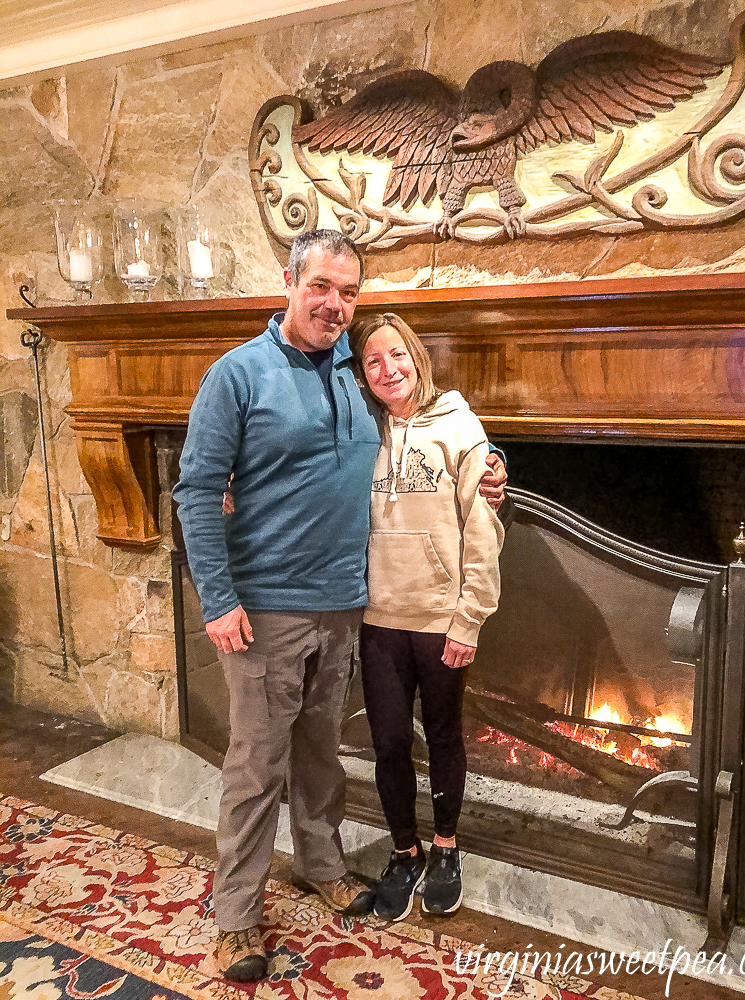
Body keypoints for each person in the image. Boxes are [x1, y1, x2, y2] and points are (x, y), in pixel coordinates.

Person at [172, 230, 507, 982]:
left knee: (321, 756)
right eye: (321, 286)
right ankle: (234, 917)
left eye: (348, 293)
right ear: (288, 281)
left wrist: (492, 467)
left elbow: (424, 434)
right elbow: (196, 489)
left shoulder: (357, 379)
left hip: (346, 608)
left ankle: (321, 865)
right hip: (263, 611)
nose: (333, 304)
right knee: (256, 767)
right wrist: (218, 599)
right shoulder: (238, 375)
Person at [348, 312, 504, 921]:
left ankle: (445, 847)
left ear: (416, 357)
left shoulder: (460, 431)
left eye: (397, 356)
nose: (388, 370)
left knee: (442, 736)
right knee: (387, 742)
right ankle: (404, 850)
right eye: (373, 362)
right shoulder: (361, 431)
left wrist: (469, 620)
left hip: (441, 619)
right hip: (379, 617)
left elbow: (482, 532)